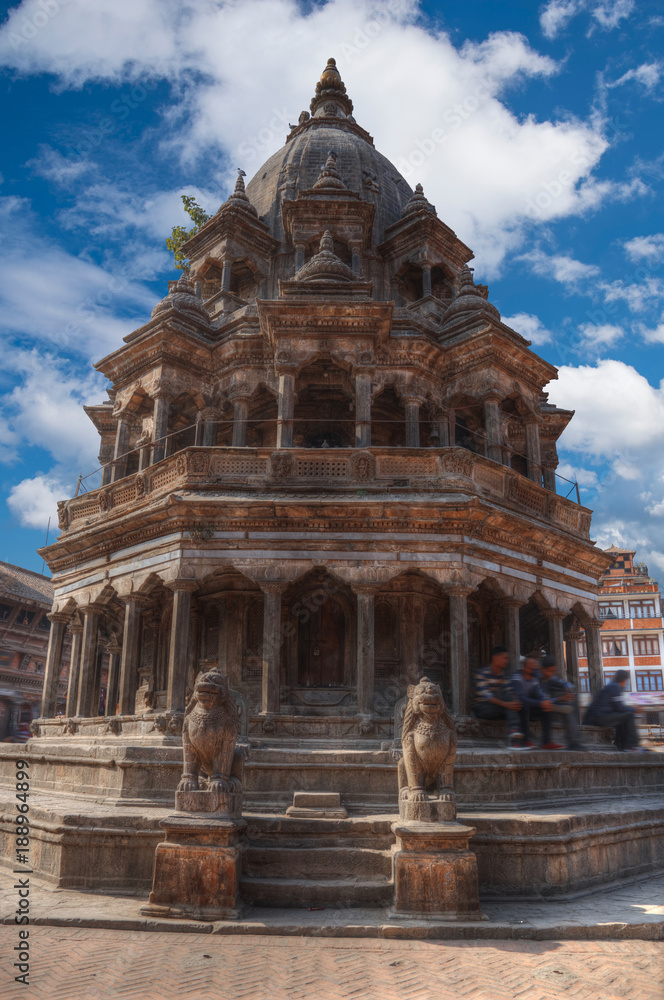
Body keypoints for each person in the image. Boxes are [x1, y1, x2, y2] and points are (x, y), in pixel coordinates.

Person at [583, 669, 647, 752]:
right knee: (629, 715)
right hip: (601, 717)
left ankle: (621, 745)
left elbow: (618, 708)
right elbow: (619, 707)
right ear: (624, 679)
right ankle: (631, 745)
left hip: (599, 716)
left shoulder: (612, 686)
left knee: (621, 717)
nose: (626, 683)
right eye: (627, 680)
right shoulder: (615, 687)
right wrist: (634, 709)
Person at [472, 646, 523, 748]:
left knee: (517, 704)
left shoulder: (503, 676)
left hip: (498, 707)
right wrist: (508, 704)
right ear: (495, 658)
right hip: (483, 707)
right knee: (510, 705)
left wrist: (515, 703)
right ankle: (514, 732)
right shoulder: (482, 673)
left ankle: (516, 736)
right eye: (504, 658)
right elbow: (488, 697)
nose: (506, 661)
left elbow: (509, 692)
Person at [511, 653, 564, 750]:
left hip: (530, 707)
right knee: (523, 705)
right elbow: (520, 697)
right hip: (516, 709)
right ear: (525, 668)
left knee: (547, 708)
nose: (535, 670)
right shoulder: (517, 677)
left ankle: (546, 742)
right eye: (532, 668)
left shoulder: (534, 680)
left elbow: (539, 694)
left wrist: (545, 702)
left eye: (535, 668)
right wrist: (540, 703)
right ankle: (524, 740)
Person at [538, 654, 585, 751]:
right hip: (535, 705)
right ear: (542, 669)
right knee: (565, 708)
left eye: (552, 671)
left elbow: (564, 683)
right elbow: (541, 699)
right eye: (548, 671)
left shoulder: (550, 677)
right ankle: (546, 742)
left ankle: (574, 742)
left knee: (569, 706)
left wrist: (567, 688)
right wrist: (560, 699)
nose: (550, 674)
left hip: (548, 703)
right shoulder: (536, 679)